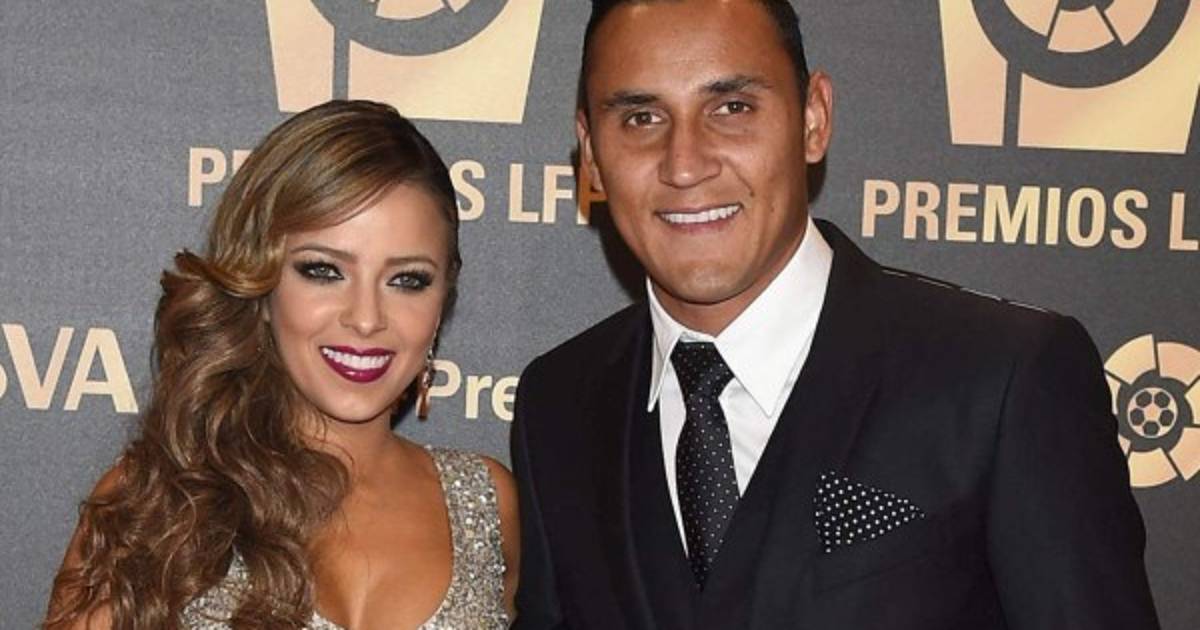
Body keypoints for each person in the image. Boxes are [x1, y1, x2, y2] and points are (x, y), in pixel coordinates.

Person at [510, 1, 1159, 628]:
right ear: (591, 153)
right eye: (641, 118)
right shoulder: (559, 405)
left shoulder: (1003, 376)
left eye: (731, 108)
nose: (685, 165)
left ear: (813, 119)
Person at [43, 100, 518, 629]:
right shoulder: (159, 500)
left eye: (407, 280)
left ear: (444, 297)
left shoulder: (488, 504)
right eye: (323, 271)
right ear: (261, 287)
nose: (366, 318)